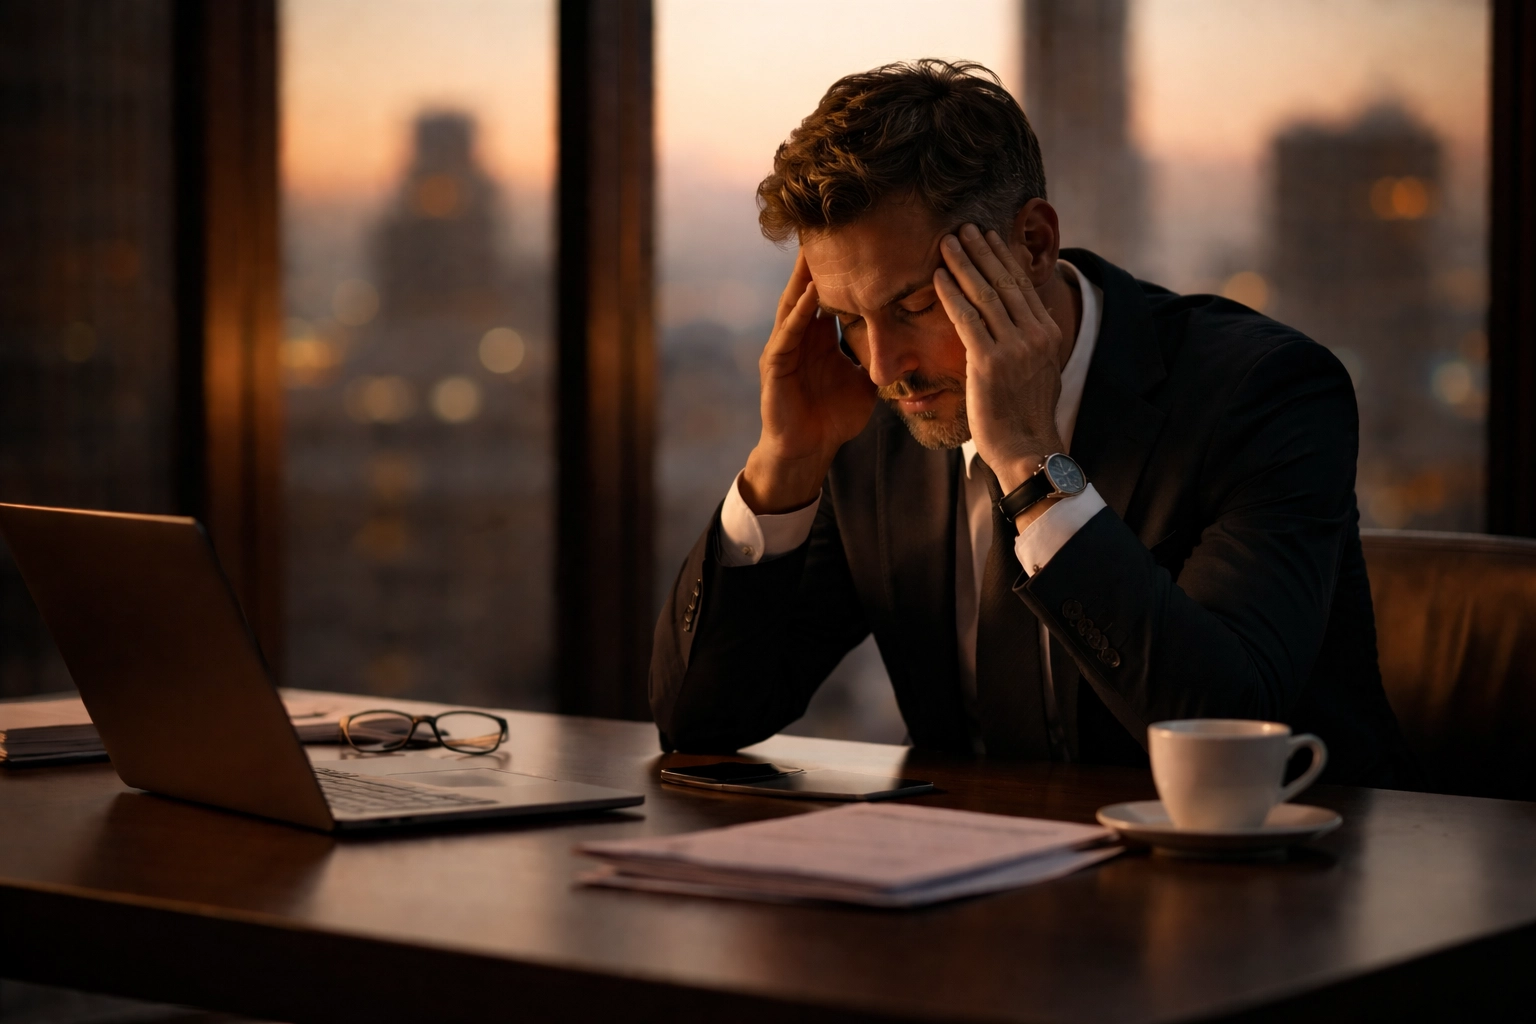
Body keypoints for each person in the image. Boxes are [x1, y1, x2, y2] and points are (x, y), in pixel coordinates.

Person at [649, 59, 1408, 785]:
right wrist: (784, 464)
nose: (883, 367)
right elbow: (701, 722)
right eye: (849, 318)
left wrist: (1031, 465)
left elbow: (1225, 718)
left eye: (914, 307)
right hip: (973, 892)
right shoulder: (868, 413)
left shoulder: (1263, 393)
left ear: (1034, 244)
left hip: (1264, 889)